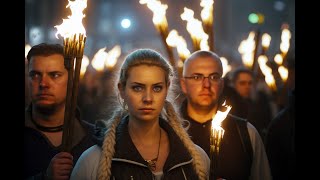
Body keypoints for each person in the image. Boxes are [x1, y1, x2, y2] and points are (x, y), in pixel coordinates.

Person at [70, 49, 210, 180]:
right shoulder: (93, 160)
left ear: (166, 89)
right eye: (138, 88)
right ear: (122, 90)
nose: (148, 98)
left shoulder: (195, 159)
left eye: (157, 88)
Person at [179, 50, 272, 180]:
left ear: (222, 84)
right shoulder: (168, 131)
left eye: (214, 77)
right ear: (183, 84)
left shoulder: (245, 132)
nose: (206, 85)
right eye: (197, 77)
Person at [24, 43, 96, 179]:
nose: (43, 83)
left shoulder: (93, 139)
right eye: (35, 75)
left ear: (71, 80)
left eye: (55, 75)